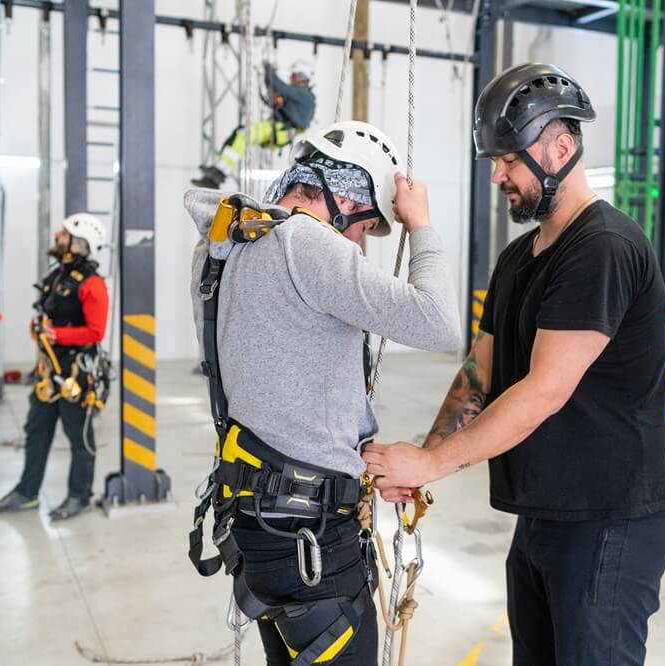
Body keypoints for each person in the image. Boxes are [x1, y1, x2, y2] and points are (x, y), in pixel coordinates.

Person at [363, 63, 665, 665]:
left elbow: (543, 391)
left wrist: (431, 462)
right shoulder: (517, 259)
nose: (498, 175)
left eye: (509, 159)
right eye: (495, 160)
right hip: (546, 515)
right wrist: (426, 462)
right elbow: (479, 372)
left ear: (561, 148)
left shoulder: (602, 248)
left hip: (609, 524)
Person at [185, 119, 460, 665]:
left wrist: (355, 455)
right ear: (345, 198)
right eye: (365, 226)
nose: (358, 243)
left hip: (256, 525)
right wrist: (420, 225)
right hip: (311, 541)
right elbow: (440, 323)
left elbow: (280, 380)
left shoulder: (223, 245)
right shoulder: (306, 244)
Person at [0, 213, 110, 521]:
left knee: (78, 436)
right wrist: (38, 327)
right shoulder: (56, 277)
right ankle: (26, 492)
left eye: (64, 234)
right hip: (49, 372)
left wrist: (58, 335)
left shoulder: (92, 285)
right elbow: (45, 313)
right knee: (36, 429)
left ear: (79, 243)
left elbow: (96, 332)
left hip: (75, 372)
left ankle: (79, 496)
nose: (57, 236)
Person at [192, 61, 317, 189]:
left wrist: (268, 68)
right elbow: (277, 91)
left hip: (279, 130)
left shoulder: (304, 95)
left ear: (301, 77)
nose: (290, 78)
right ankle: (217, 170)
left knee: (243, 135)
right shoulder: (301, 97)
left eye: (294, 75)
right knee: (239, 132)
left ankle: (220, 173)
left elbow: (279, 86)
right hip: (278, 129)